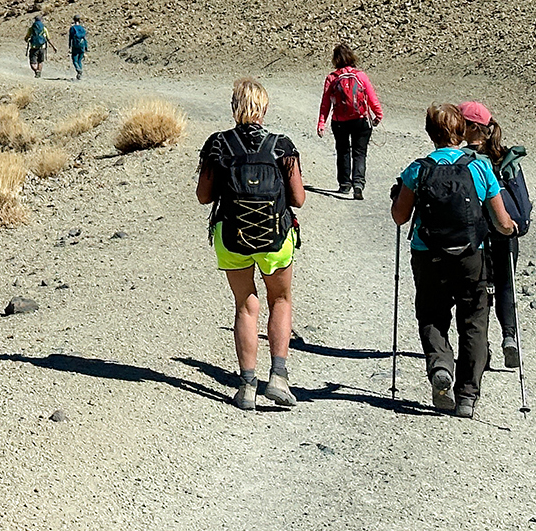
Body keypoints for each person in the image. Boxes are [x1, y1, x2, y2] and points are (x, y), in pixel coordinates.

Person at [391, 103, 516, 419]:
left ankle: (440, 366)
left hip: (427, 253)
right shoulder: (480, 168)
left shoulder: (418, 169)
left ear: (430, 133)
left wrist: (399, 196)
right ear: (462, 132)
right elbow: (501, 222)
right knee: (474, 320)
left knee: (431, 314)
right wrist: (511, 228)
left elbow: (399, 216)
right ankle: (466, 397)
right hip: (471, 256)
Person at [196, 77, 306, 410]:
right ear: (264, 107)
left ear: (234, 107)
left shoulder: (218, 144)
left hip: (231, 238)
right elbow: (298, 199)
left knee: (245, 304)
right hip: (276, 238)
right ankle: (279, 379)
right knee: (281, 299)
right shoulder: (281, 145)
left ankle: (246, 386)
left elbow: (204, 197)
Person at [460, 100, 532, 369]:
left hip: (477, 233)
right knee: (506, 283)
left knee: (479, 289)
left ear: (472, 128)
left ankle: (483, 346)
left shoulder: (466, 160)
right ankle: (510, 338)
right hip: (507, 230)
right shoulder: (505, 156)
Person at [316, 43, 385, 199]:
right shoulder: (360, 76)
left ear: (335, 60)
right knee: (359, 153)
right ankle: (358, 184)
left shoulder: (332, 78)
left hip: (339, 121)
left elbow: (325, 103)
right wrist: (378, 114)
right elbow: (372, 97)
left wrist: (321, 123)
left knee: (343, 151)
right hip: (361, 119)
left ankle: (345, 184)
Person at [67, 15, 88, 80]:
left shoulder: (72, 28)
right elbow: (84, 38)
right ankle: (80, 74)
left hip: (75, 45)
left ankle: (78, 69)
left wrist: (69, 46)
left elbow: (70, 38)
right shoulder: (82, 28)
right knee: (79, 60)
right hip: (82, 45)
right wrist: (86, 47)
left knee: (74, 59)